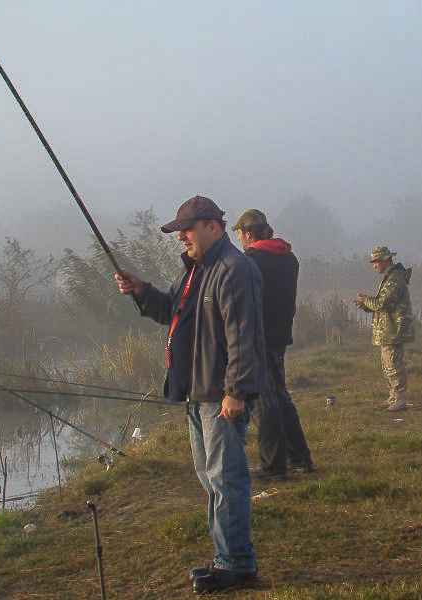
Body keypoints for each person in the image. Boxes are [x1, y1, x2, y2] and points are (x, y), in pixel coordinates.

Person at [114, 195, 265, 594]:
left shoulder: (234, 269)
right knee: (211, 480)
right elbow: (170, 310)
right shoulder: (195, 271)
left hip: (221, 396)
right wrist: (141, 290)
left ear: (213, 227)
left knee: (226, 478)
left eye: (187, 229)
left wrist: (236, 392)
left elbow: (243, 336)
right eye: (178, 231)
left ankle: (237, 563)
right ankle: (225, 558)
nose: (180, 237)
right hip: (196, 394)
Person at [232, 209, 314, 478]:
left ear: (247, 233)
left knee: (264, 399)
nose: (240, 240)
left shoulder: (252, 259)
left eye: (240, 235)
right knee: (281, 395)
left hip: (259, 336)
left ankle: (273, 464)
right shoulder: (288, 257)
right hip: (280, 334)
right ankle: (299, 457)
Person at [353, 246, 415, 412]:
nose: (374, 265)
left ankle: (399, 400)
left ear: (386, 260)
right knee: (389, 366)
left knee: (394, 365)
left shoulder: (394, 279)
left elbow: (383, 303)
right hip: (389, 330)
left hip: (394, 330)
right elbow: (382, 304)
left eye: (376, 262)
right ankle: (393, 398)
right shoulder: (391, 277)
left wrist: (366, 300)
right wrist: (365, 305)